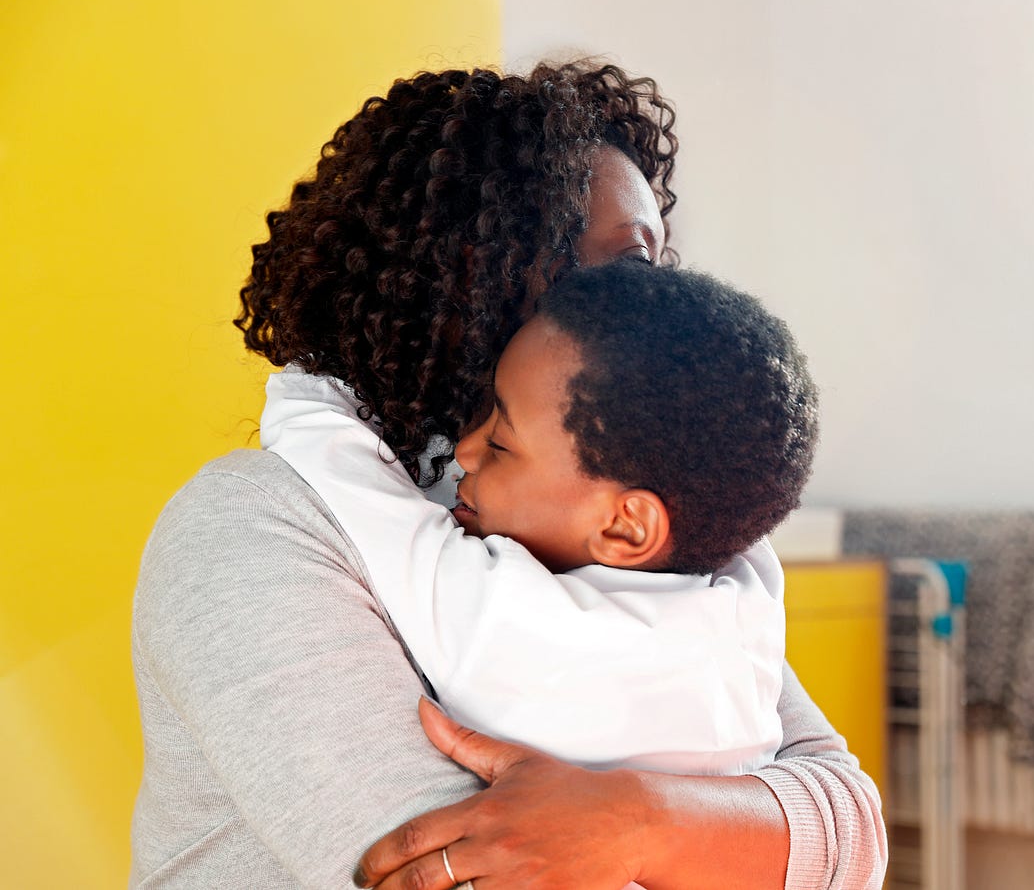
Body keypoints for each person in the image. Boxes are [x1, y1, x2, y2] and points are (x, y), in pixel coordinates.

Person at [131, 62, 886, 890]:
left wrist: (633, 819)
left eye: (652, 267)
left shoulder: (619, 517)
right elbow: (441, 870)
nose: (656, 307)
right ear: (467, 279)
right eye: (622, 270)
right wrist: (718, 839)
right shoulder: (256, 526)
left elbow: (850, 830)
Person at [261, 261, 817, 788]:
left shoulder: (505, 620)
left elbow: (317, 433)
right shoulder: (749, 592)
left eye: (501, 443)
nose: (465, 450)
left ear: (627, 528)